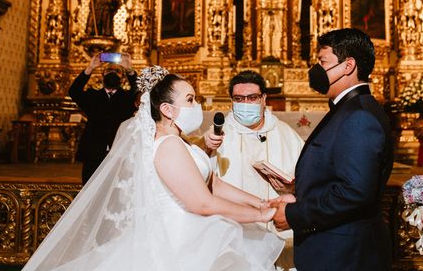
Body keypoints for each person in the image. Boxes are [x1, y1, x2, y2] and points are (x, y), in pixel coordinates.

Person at [24, 67, 283, 270]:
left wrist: (262, 202)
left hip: (191, 235)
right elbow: (202, 203)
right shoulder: (169, 145)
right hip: (178, 243)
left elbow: (214, 183)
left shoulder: (182, 142)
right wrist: (259, 216)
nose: (197, 106)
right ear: (168, 110)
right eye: (190, 100)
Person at [270, 28, 393, 271]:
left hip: (345, 254)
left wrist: (294, 214)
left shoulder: (359, 116)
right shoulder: (347, 108)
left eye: (322, 61)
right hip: (335, 248)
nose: (316, 70)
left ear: (348, 66)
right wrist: (300, 189)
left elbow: (355, 192)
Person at [203, 70, 304, 268]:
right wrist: (206, 148)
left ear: (264, 99)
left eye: (252, 98)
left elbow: (308, 176)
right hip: (234, 233)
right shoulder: (219, 135)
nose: (246, 104)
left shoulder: (285, 133)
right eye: (239, 98)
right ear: (231, 100)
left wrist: (293, 188)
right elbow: (201, 178)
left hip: (280, 231)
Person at [68, 53, 138, 184]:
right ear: (102, 76)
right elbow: (74, 91)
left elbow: (141, 93)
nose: (113, 73)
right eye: (109, 70)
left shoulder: (129, 98)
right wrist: (90, 68)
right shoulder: (91, 95)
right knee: (89, 187)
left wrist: (130, 70)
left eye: (117, 71)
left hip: (120, 153)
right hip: (93, 152)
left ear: (122, 78)